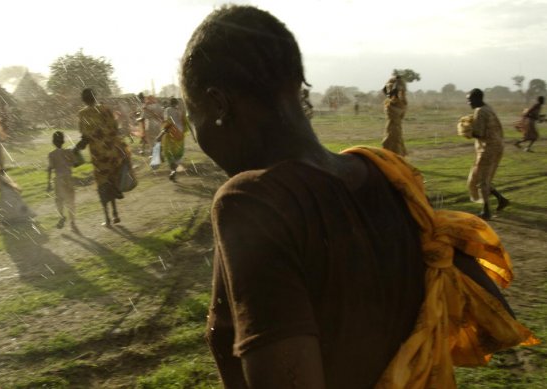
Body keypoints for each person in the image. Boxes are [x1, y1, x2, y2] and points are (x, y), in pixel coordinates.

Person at [180, 6, 535, 388]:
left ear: (218, 104)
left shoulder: (253, 200)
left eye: (191, 114)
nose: (197, 134)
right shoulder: (384, 172)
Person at [75, 88, 129, 227]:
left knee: (102, 184)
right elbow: (115, 128)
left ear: (83, 99)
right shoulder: (105, 109)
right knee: (111, 179)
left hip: (98, 156)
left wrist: (78, 147)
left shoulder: (83, 113)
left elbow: (85, 136)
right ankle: (116, 214)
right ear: (95, 96)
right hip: (111, 152)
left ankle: (107, 218)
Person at [466, 88, 510, 220]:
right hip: (497, 146)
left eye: (470, 100)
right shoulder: (488, 108)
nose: (469, 103)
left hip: (488, 149)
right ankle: (501, 199)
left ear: (477, 99)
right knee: (484, 178)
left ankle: (487, 212)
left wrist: (466, 130)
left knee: (481, 180)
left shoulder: (480, 111)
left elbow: (479, 133)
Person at [47, 131, 78, 231]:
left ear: (53, 142)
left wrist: (48, 183)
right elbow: (75, 164)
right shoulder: (68, 152)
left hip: (59, 180)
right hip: (68, 178)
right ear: (63, 141)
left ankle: (62, 215)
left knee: (59, 200)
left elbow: (50, 168)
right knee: (71, 199)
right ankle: (72, 222)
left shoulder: (52, 154)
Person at [155, 98, 190, 182]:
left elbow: (168, 123)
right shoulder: (181, 111)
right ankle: (173, 171)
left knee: (169, 154)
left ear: (170, 103)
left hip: (171, 135)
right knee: (178, 155)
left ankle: (173, 171)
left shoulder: (168, 110)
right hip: (180, 136)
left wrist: (161, 134)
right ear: (177, 104)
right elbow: (186, 124)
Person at [382, 72, 408, 155]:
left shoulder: (396, 104)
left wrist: (392, 88)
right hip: (394, 129)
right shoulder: (399, 104)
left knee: (392, 146)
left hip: (394, 129)